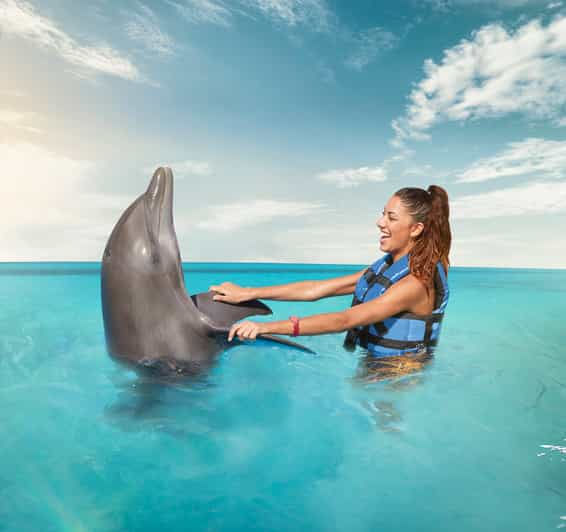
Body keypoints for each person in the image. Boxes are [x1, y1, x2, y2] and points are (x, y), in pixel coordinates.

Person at [209, 186, 451, 380]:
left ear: (416, 229)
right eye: (383, 213)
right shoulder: (385, 268)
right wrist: (246, 292)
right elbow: (316, 289)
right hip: (378, 367)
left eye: (391, 217)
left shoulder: (415, 284)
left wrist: (265, 327)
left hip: (398, 377)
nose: (380, 222)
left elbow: (345, 320)